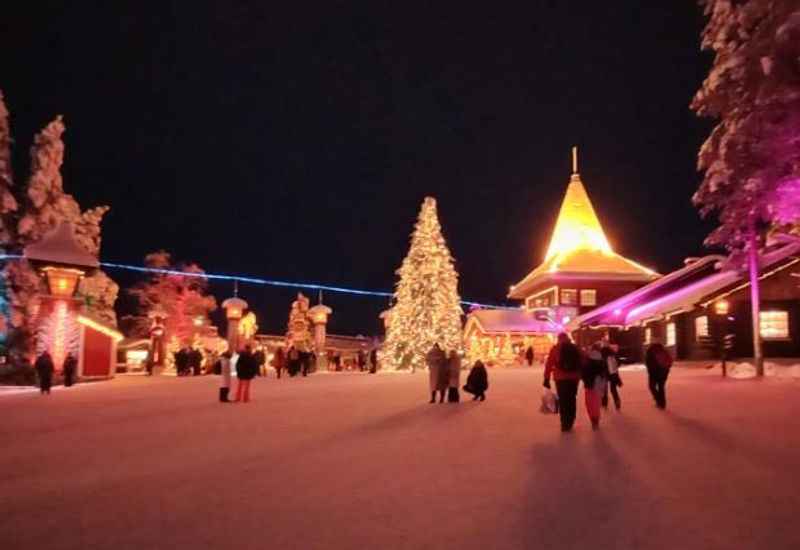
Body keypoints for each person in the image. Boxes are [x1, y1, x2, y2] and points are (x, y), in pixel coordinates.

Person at [543, 333, 583, 432]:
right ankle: (571, 420)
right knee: (572, 398)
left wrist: (546, 378)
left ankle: (564, 423)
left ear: (559, 338)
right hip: (574, 378)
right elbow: (583, 360)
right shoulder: (575, 347)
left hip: (560, 378)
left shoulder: (555, 348)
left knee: (563, 400)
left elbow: (549, 364)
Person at [583, 343, 606, 430]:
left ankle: (593, 418)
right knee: (596, 403)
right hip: (598, 383)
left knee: (589, 403)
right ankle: (595, 419)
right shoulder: (601, 359)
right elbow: (604, 372)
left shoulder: (587, 359)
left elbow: (583, 372)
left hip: (589, 384)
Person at [645, 340, 673, 409]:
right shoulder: (664, 351)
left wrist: (649, 371)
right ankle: (662, 403)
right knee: (661, 387)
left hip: (653, 373)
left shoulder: (650, 352)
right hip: (663, 372)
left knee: (651, 387)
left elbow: (648, 363)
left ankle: (658, 400)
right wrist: (667, 369)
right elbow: (670, 361)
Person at [601, 342, 622, 410]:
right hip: (613, 373)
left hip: (604, 373)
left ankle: (604, 403)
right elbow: (618, 363)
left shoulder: (601, 354)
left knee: (604, 389)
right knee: (613, 389)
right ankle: (616, 401)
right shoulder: (612, 354)